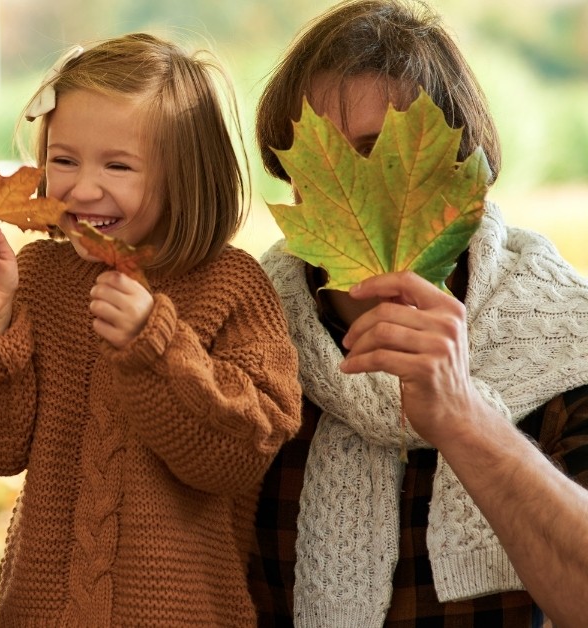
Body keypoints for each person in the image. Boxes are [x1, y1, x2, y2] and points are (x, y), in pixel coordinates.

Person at [0, 33, 302, 625]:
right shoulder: (37, 276)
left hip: (182, 613)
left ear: (186, 173)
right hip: (43, 611)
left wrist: (156, 346)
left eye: (118, 165)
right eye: (64, 160)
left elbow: (243, 452)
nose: (83, 188)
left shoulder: (230, 286)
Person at [249, 1, 588, 626]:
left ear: (467, 181)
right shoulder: (244, 341)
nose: (353, 186)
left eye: (383, 152)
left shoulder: (566, 338)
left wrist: (463, 416)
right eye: (323, 156)